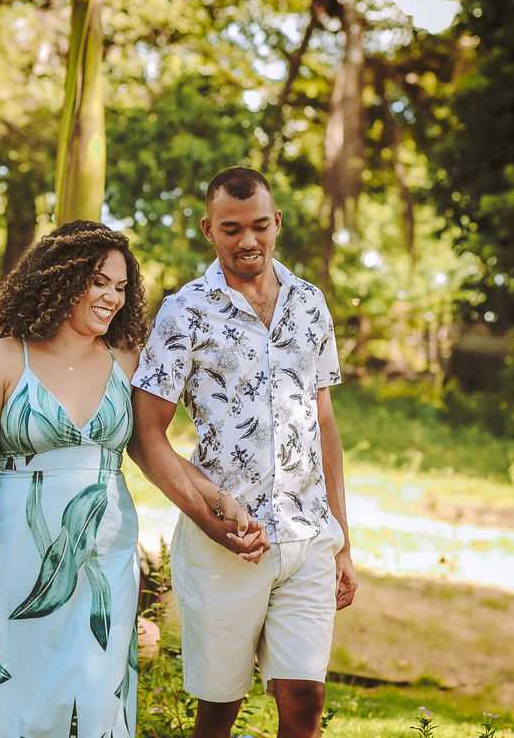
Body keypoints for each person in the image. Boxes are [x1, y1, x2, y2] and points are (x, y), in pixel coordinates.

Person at [128, 167, 358, 738]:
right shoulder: (184, 311)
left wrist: (343, 542)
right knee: (218, 711)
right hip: (228, 543)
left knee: (304, 697)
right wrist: (211, 522)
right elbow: (145, 435)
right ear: (210, 229)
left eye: (259, 225)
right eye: (231, 229)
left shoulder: (310, 303)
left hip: (308, 536)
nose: (248, 240)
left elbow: (324, 424)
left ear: (276, 222)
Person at [0, 221, 149, 738]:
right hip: (14, 561)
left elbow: (158, 450)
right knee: (11, 702)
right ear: (61, 278)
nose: (112, 297)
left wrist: (215, 503)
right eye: (99, 282)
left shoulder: (128, 362)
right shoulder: (0, 358)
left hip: (106, 561)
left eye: (120, 287)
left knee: (95, 701)